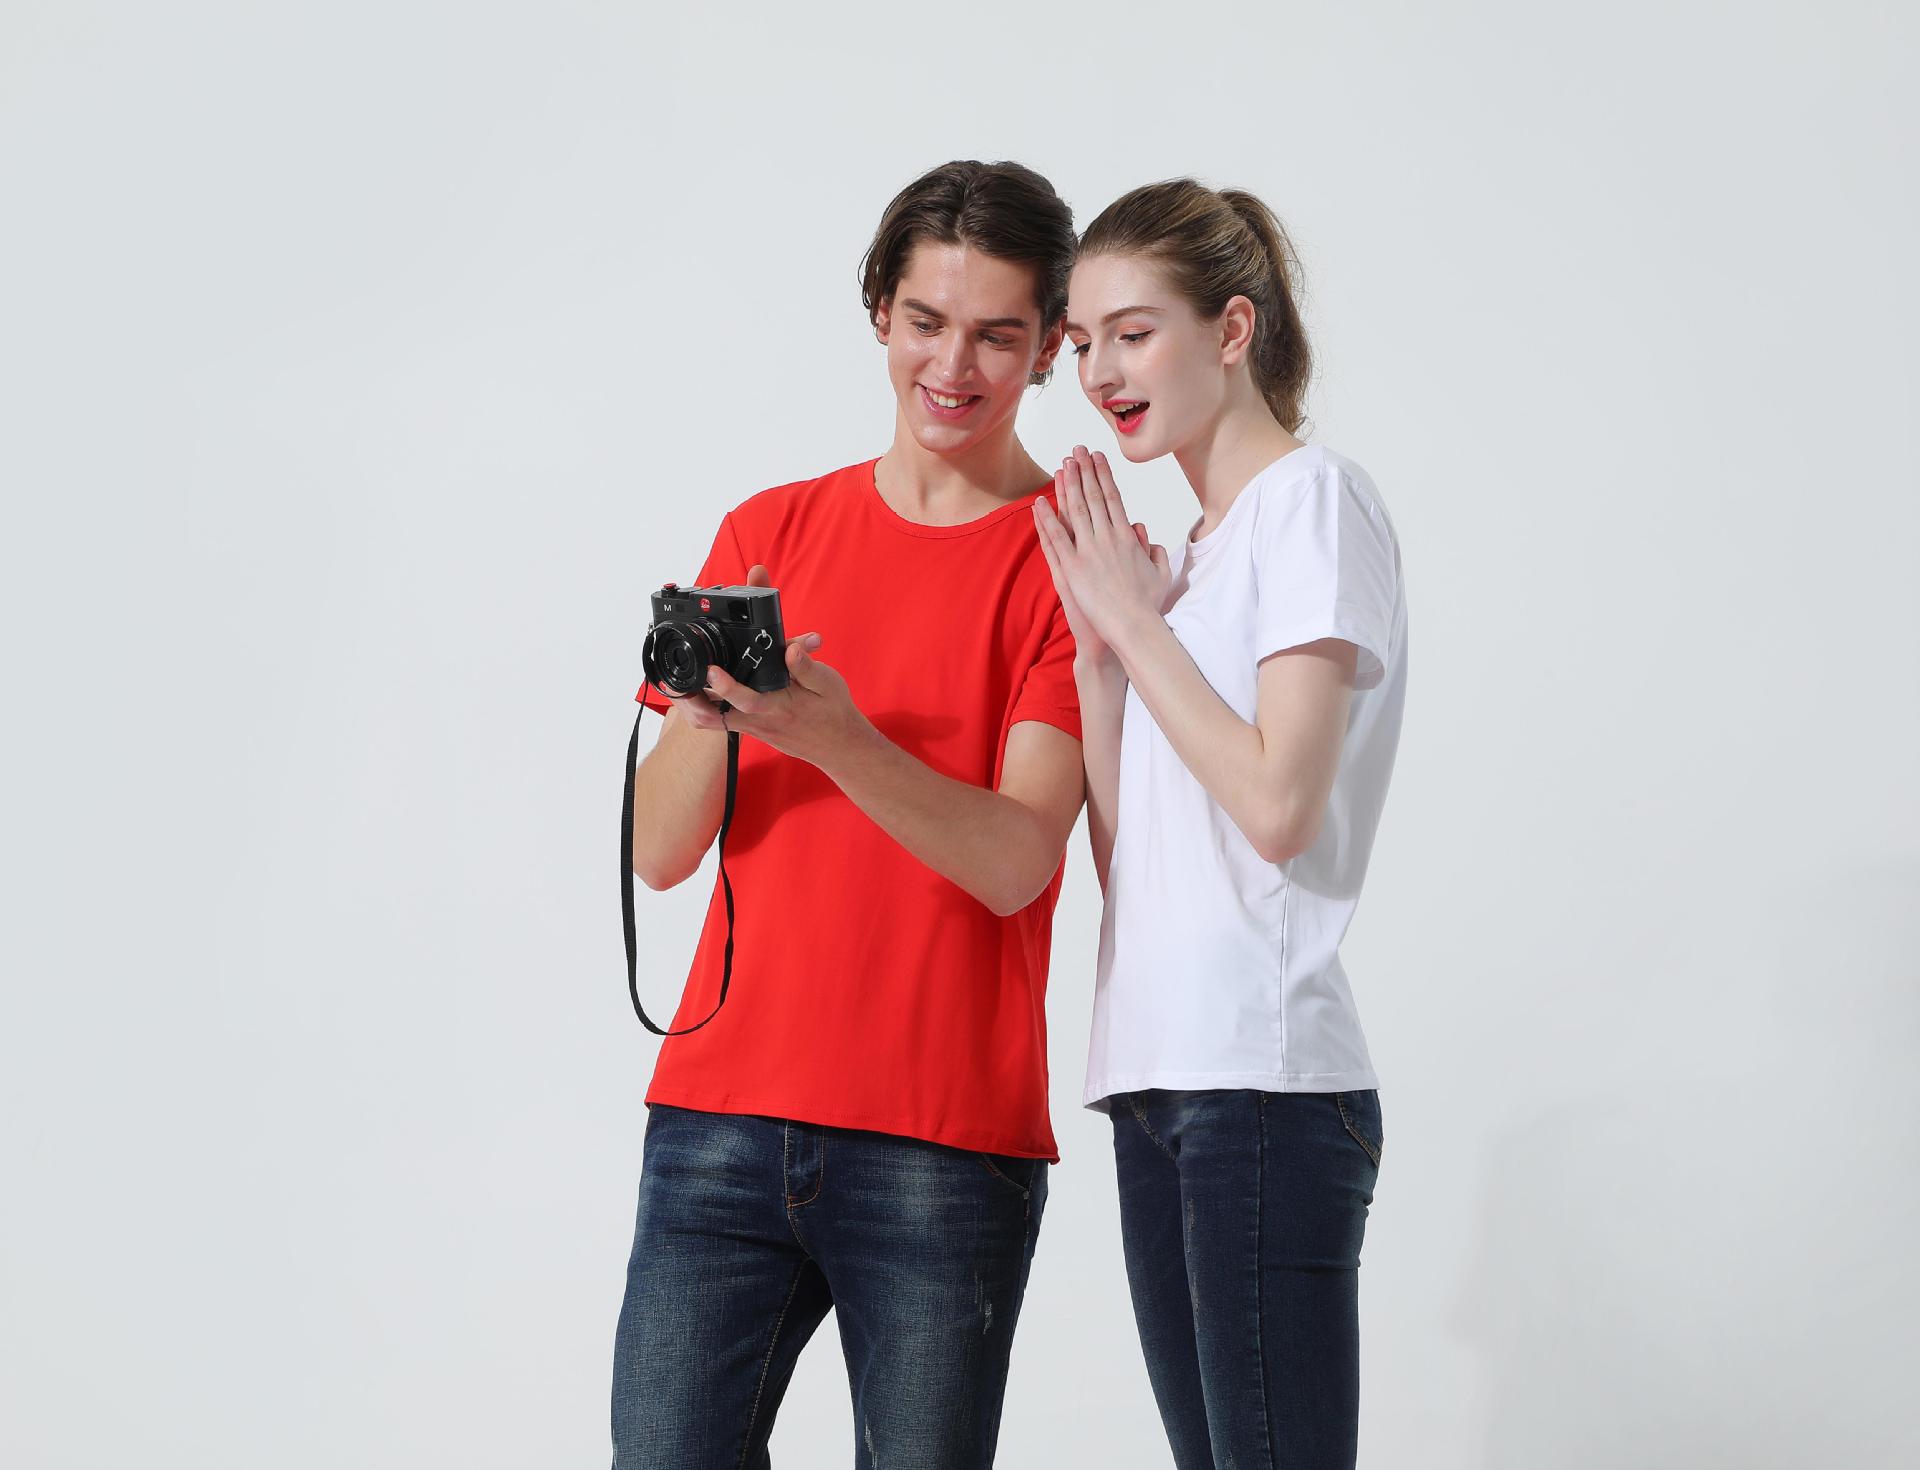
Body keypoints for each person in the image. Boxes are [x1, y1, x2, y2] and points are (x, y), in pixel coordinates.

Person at [611, 160, 1086, 1470]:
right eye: (926, 321)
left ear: (1051, 345)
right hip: (720, 1111)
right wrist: (711, 710)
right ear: (880, 308)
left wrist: (835, 738)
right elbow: (660, 852)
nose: (954, 366)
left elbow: (1018, 858)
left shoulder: (1068, 564)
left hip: (943, 1139)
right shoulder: (768, 530)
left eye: (997, 334)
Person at [1032, 178, 1407, 1470]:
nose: (1099, 372)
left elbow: (1279, 806)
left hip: (1263, 1080)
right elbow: (1134, 862)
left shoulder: (1313, 502)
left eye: (1133, 333)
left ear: (1233, 330)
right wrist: (1102, 654)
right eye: (1083, 341)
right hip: (1157, 1073)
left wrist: (1134, 628)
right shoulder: (1187, 563)